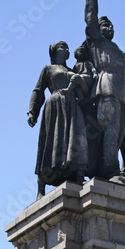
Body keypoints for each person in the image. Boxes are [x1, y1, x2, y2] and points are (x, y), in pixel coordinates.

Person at [84, 0, 125, 179]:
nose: (110, 28)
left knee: (119, 135)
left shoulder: (118, 51)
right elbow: (90, 15)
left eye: (112, 26)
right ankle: (112, 170)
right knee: (110, 129)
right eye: (106, 25)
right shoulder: (96, 42)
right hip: (107, 87)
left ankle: (110, 169)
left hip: (123, 92)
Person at [27, 41, 89, 197]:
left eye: (67, 48)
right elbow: (38, 91)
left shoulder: (73, 70)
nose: (66, 50)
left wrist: (81, 83)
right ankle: (41, 187)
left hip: (73, 106)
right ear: (54, 52)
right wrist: (32, 111)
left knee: (76, 137)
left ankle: (78, 175)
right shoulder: (48, 69)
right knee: (49, 143)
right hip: (55, 105)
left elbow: (85, 93)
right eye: (62, 47)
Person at [73, 42, 101, 180]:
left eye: (83, 51)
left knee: (94, 135)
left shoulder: (89, 65)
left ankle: (95, 169)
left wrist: (95, 74)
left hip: (92, 100)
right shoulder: (76, 67)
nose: (82, 53)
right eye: (79, 51)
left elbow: (95, 73)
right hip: (82, 102)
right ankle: (80, 170)